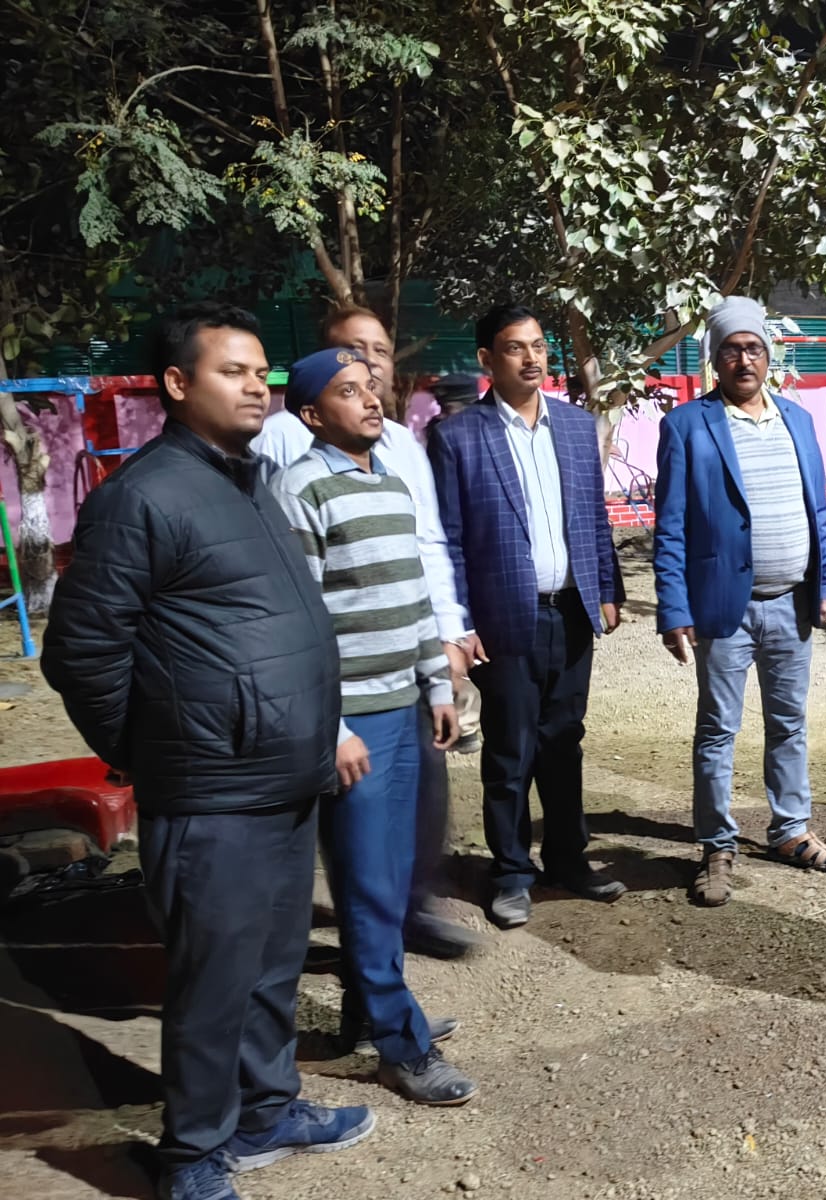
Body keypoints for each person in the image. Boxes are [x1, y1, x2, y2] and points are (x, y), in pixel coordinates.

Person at [42, 303, 373, 1200]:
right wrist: (152, 749)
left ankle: (266, 1111)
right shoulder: (140, 499)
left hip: (281, 782)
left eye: (262, 372)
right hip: (210, 793)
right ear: (177, 383)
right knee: (212, 982)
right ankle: (192, 1154)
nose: (256, 387)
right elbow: (81, 653)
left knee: (271, 968)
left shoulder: (249, 481)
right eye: (234, 371)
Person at [272, 349, 478, 1106]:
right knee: (364, 883)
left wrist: (436, 686)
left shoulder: (389, 482)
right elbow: (298, 625)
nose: (369, 400)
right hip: (352, 721)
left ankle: (369, 1015)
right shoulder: (299, 490)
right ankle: (402, 1047)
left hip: (404, 711)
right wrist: (329, 728)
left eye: (370, 388)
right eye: (346, 392)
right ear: (311, 414)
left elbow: (415, 597)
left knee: (390, 876)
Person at [429, 304, 625, 930]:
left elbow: (593, 516)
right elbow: (449, 540)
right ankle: (512, 871)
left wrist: (607, 588)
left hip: (571, 614)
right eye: (515, 347)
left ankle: (568, 860)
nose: (531, 357)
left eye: (538, 345)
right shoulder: (459, 437)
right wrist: (461, 625)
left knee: (564, 742)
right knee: (510, 750)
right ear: (487, 359)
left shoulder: (575, 426)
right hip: (503, 620)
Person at [654, 295, 826, 908]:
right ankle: (717, 845)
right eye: (733, 350)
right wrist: (673, 607)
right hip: (724, 609)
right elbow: (671, 525)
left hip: (793, 603)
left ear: (769, 356)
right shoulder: (688, 425)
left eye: (754, 348)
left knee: (789, 724)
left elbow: (818, 506)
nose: (745, 360)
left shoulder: (798, 420)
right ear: (715, 359)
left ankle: (791, 830)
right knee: (718, 730)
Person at [425, 373, 488, 754]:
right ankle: (463, 723)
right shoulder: (444, 435)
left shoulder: (464, 431)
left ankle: (466, 722)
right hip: (453, 550)